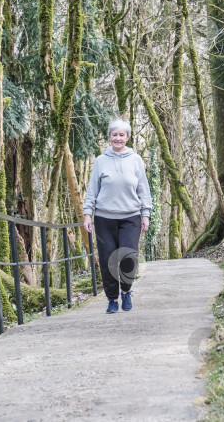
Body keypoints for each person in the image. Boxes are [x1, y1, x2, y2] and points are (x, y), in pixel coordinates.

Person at [83, 119, 151, 314]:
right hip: (104, 218)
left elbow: (143, 189)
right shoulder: (100, 160)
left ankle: (126, 291)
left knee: (129, 256)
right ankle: (112, 298)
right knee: (107, 260)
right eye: (115, 134)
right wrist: (88, 214)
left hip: (131, 217)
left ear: (127, 137)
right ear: (109, 137)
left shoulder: (136, 160)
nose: (118, 138)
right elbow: (92, 189)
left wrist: (145, 214)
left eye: (122, 135)